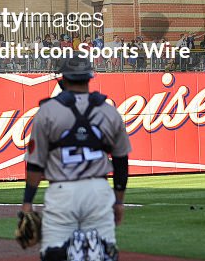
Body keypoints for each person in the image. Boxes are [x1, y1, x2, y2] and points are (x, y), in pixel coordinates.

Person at [20, 55, 131, 261]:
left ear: (63, 79)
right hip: (98, 191)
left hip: (62, 192)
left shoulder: (48, 111)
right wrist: (119, 202)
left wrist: (27, 202)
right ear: (89, 77)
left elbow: (35, 164)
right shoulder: (109, 111)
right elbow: (121, 162)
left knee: (55, 254)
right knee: (105, 252)